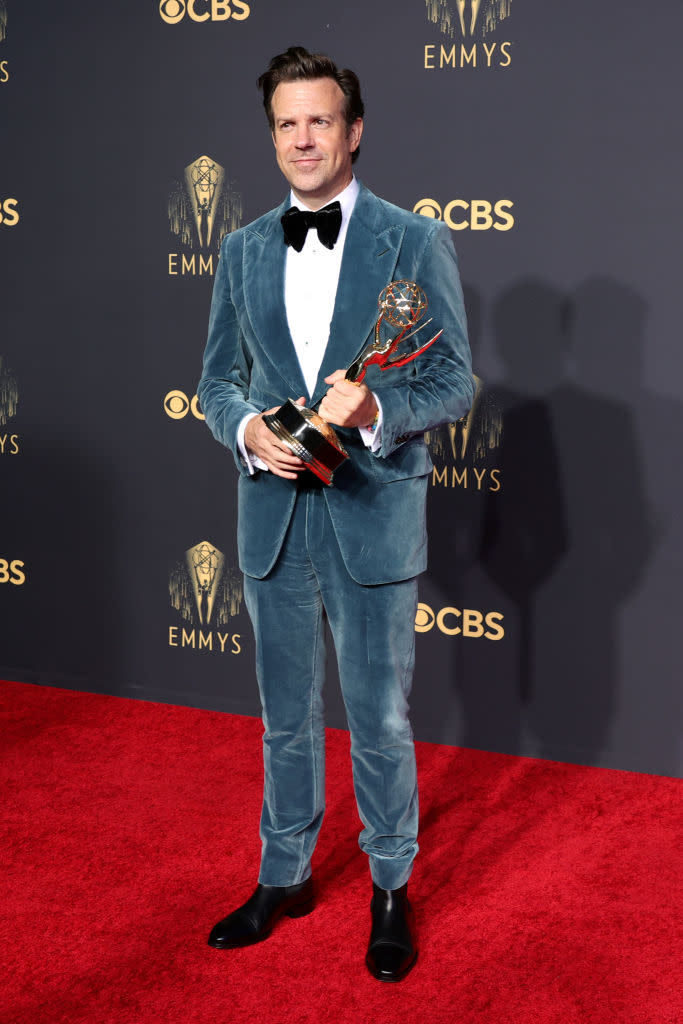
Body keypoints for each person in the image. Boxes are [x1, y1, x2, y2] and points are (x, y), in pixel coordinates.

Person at [197, 45, 473, 982]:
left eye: (320, 120)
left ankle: (391, 886)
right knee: (282, 719)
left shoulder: (412, 237)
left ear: (353, 132)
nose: (303, 138)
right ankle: (283, 874)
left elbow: (454, 379)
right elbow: (214, 383)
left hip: (370, 512)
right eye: (286, 123)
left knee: (380, 719)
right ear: (271, 136)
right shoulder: (238, 248)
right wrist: (243, 431)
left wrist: (381, 410)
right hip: (272, 515)